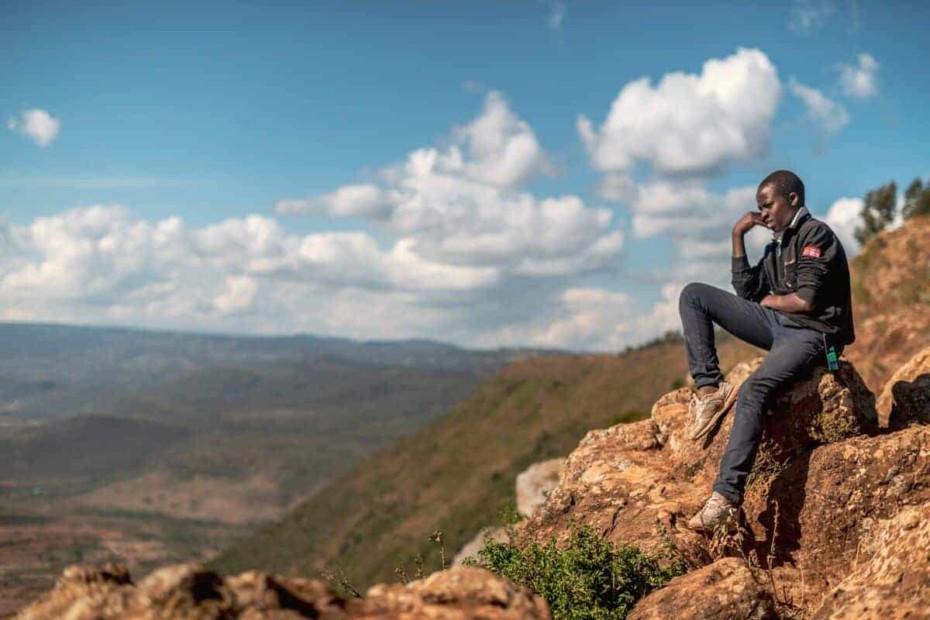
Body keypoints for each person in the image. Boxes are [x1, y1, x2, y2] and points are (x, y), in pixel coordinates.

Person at [678, 170, 855, 531]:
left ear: (792, 200)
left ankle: (725, 501)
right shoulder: (777, 246)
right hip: (778, 325)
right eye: (759, 207)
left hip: (812, 335)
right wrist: (737, 236)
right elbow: (747, 292)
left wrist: (771, 300)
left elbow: (806, 301)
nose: (764, 213)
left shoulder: (815, 234)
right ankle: (710, 389)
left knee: (755, 390)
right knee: (694, 294)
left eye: (768, 204)